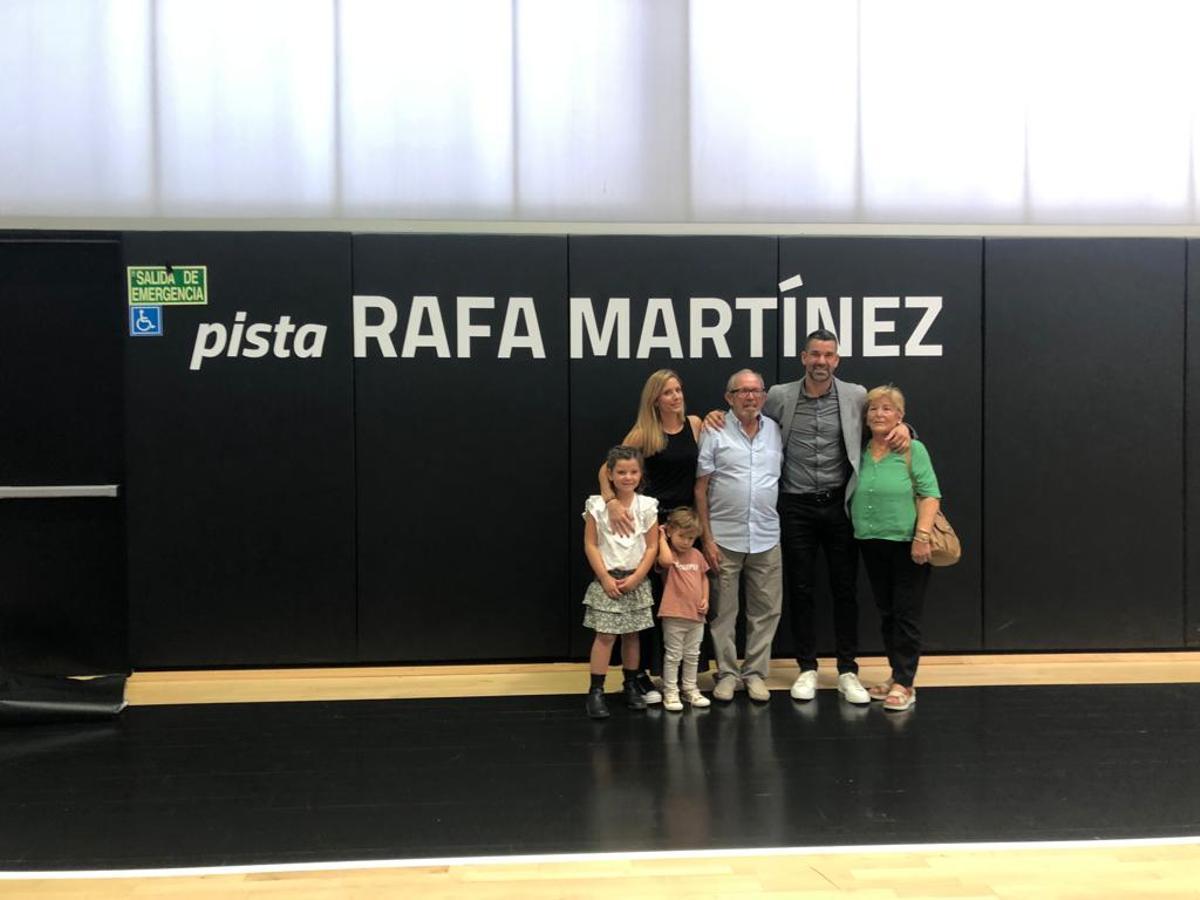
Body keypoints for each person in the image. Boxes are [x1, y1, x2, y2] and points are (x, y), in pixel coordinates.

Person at [704, 330, 910, 705]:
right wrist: (714, 415)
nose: (821, 361)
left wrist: (904, 428)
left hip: (838, 505)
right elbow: (744, 414)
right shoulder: (779, 395)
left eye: (828, 355)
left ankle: (847, 670)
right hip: (794, 506)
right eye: (815, 354)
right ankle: (807, 668)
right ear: (803, 357)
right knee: (801, 589)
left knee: (845, 589)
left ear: (837, 360)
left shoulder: (856, 395)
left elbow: (884, 419)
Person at [599, 369, 704, 705]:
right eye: (668, 392)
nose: (676, 396)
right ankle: (640, 674)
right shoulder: (645, 432)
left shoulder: (696, 424)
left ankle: (680, 676)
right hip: (655, 524)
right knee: (652, 601)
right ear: (655, 399)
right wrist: (612, 501)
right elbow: (607, 467)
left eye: (678, 390)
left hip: (685, 525)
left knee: (684, 599)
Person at [695, 369, 783, 703]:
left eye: (756, 391)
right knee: (723, 613)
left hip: (766, 536)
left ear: (764, 395)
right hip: (724, 538)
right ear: (728, 397)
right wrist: (708, 539)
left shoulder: (775, 431)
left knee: (766, 611)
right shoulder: (714, 430)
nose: (750, 397)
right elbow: (701, 489)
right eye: (742, 391)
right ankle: (728, 673)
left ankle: (756, 674)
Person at [851, 385, 941, 712]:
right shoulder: (859, 450)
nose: (879, 414)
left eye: (887, 409)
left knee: (906, 615)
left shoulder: (912, 449)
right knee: (888, 612)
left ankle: (906, 682)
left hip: (907, 543)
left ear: (900, 416)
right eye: (873, 408)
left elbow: (930, 493)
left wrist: (922, 535)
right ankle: (895, 675)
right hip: (871, 541)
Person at [582, 445, 659, 719]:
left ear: (641, 475)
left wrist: (638, 576)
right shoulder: (596, 505)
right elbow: (590, 543)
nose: (628, 477)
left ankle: (630, 684)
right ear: (610, 475)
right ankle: (596, 691)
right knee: (605, 636)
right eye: (621, 472)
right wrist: (603, 576)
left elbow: (652, 547)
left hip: (635, 580)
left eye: (633, 472)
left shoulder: (647, 506)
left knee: (632, 635)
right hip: (608, 580)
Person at [655, 507, 711, 712]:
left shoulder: (696, 554)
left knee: (692, 654)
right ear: (670, 531)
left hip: (696, 615)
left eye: (691, 538)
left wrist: (705, 598)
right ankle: (670, 692)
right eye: (682, 536)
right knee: (673, 655)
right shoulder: (668, 553)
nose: (686, 542)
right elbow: (666, 562)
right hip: (674, 614)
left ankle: (690, 688)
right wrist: (662, 536)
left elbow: (704, 577)